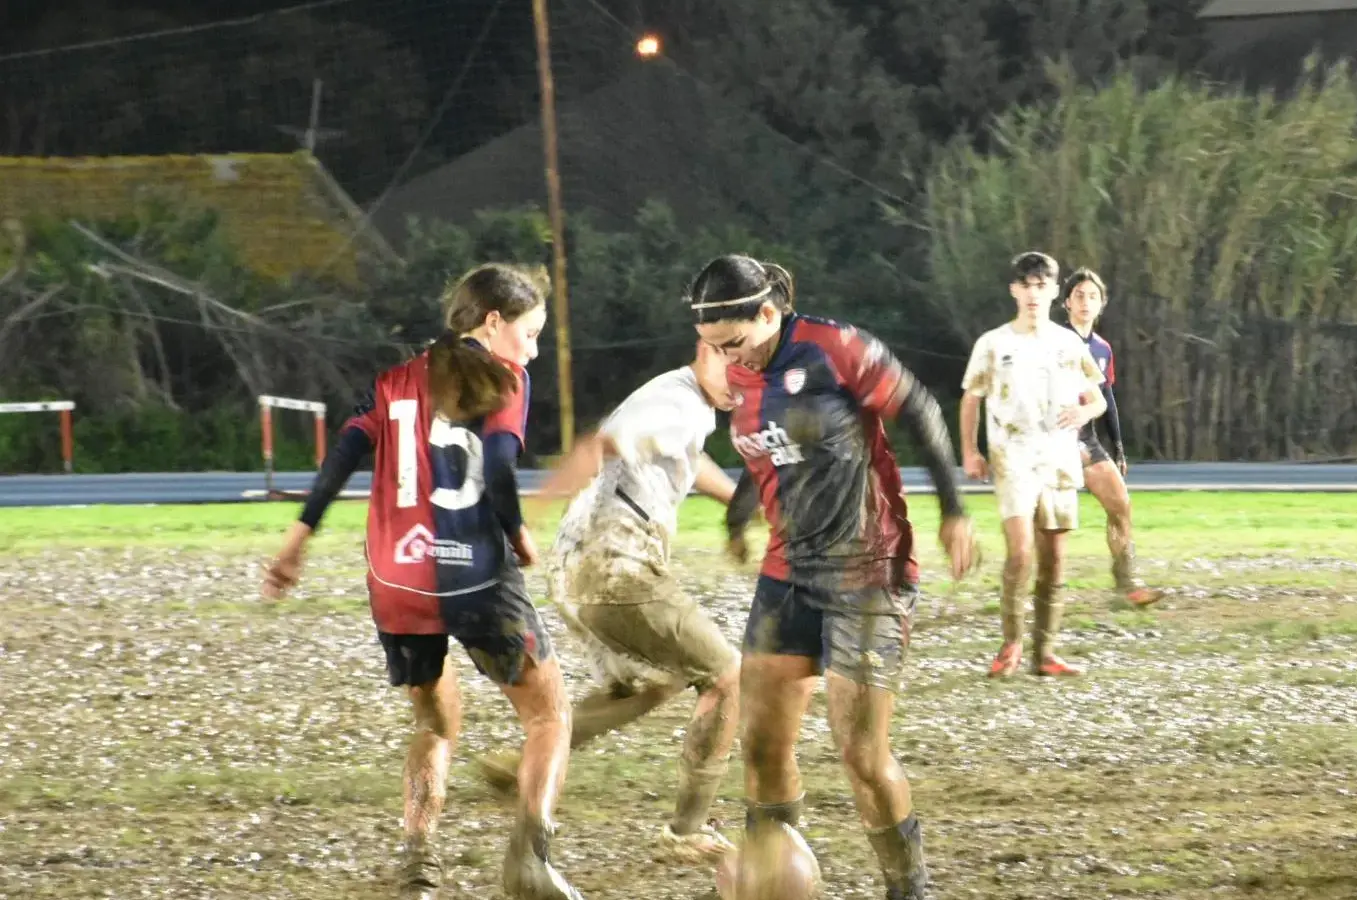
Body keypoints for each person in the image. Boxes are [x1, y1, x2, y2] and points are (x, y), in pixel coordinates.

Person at [260, 263, 584, 900]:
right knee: (549, 715)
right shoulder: (506, 375)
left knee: (435, 723)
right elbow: (496, 467)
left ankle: (417, 855)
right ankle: (531, 858)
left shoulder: (392, 381)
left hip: (397, 583)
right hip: (476, 579)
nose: (535, 349)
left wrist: (297, 541)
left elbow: (343, 457)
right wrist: (517, 533)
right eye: (532, 332)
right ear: (494, 322)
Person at [693, 254, 976, 900]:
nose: (728, 358)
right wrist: (739, 517)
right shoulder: (739, 372)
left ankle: (911, 890)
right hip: (786, 574)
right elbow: (763, 446)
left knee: (861, 755)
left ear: (768, 314)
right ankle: (773, 884)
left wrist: (954, 512)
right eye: (713, 347)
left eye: (733, 342)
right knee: (761, 748)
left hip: (866, 572)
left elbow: (923, 412)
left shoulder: (837, 349)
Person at [475, 340, 744, 863]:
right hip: (615, 569)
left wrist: (742, 501)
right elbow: (600, 446)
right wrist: (519, 519)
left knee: (654, 680)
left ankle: (519, 765)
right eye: (733, 362)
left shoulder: (687, 407)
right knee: (729, 675)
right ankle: (687, 831)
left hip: (577, 569)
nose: (743, 377)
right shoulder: (676, 403)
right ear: (705, 347)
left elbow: (687, 457)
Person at [960, 251, 1107, 678]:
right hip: (1012, 456)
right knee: (1021, 552)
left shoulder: (1067, 343)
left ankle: (1045, 653)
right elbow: (971, 397)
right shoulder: (994, 343)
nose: (1032, 293)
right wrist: (970, 450)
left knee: (1055, 558)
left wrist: (1084, 414)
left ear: (1054, 291)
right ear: (1013, 290)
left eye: (1041, 286)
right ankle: (1011, 644)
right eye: (1025, 285)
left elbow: (1095, 398)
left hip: (1057, 458)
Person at [1061, 267, 1165, 608]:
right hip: (1053, 440)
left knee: (1121, 505)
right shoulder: (1053, 341)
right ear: (1066, 302)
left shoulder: (1102, 349)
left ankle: (1127, 585)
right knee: (1047, 522)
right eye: (1079, 295)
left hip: (1087, 440)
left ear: (1102, 304)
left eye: (1092, 296)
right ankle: (1034, 590)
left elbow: (1107, 399)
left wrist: (1118, 447)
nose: (1085, 302)